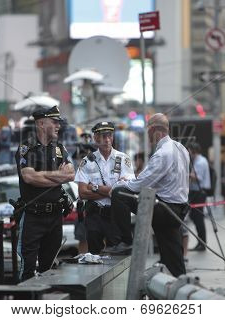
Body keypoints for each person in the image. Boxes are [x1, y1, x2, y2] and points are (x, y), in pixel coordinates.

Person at [106, 113, 190, 277]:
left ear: (153, 130)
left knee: (119, 194)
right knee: (172, 252)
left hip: (165, 209)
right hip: (178, 208)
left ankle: (125, 242)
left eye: (148, 130)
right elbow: (160, 179)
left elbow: (139, 185)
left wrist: (120, 184)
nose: (148, 135)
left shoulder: (162, 154)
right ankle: (179, 282)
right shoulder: (181, 148)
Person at [15, 105, 75, 281]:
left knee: (48, 271)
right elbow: (29, 178)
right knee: (27, 271)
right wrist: (58, 175)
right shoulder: (26, 148)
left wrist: (44, 176)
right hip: (33, 217)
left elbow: (70, 174)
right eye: (54, 122)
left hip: (55, 218)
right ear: (41, 123)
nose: (58, 126)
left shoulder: (59, 149)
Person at [74, 121, 135, 254]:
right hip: (95, 215)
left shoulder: (123, 159)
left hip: (116, 216)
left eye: (110, 135)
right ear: (96, 138)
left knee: (118, 258)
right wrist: (112, 191)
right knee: (94, 255)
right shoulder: (87, 161)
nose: (107, 140)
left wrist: (94, 187)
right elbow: (83, 193)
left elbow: (127, 190)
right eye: (103, 136)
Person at [187, 142, 210, 251]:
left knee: (198, 218)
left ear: (193, 150)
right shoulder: (198, 161)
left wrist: (185, 174)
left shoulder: (200, 162)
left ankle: (202, 243)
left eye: (189, 150)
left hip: (199, 193)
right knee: (195, 217)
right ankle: (201, 242)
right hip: (195, 192)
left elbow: (198, 177)